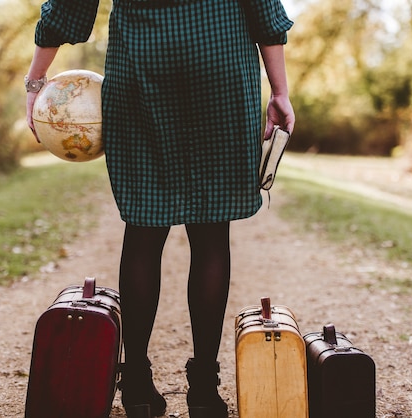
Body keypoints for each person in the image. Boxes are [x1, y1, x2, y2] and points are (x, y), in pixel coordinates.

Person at [25, 1, 294, 417]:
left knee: (144, 229)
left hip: (141, 57)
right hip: (219, 57)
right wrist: (280, 91)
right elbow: (264, 9)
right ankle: (204, 390)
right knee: (210, 233)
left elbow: (67, 7)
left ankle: (135, 385)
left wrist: (35, 79)